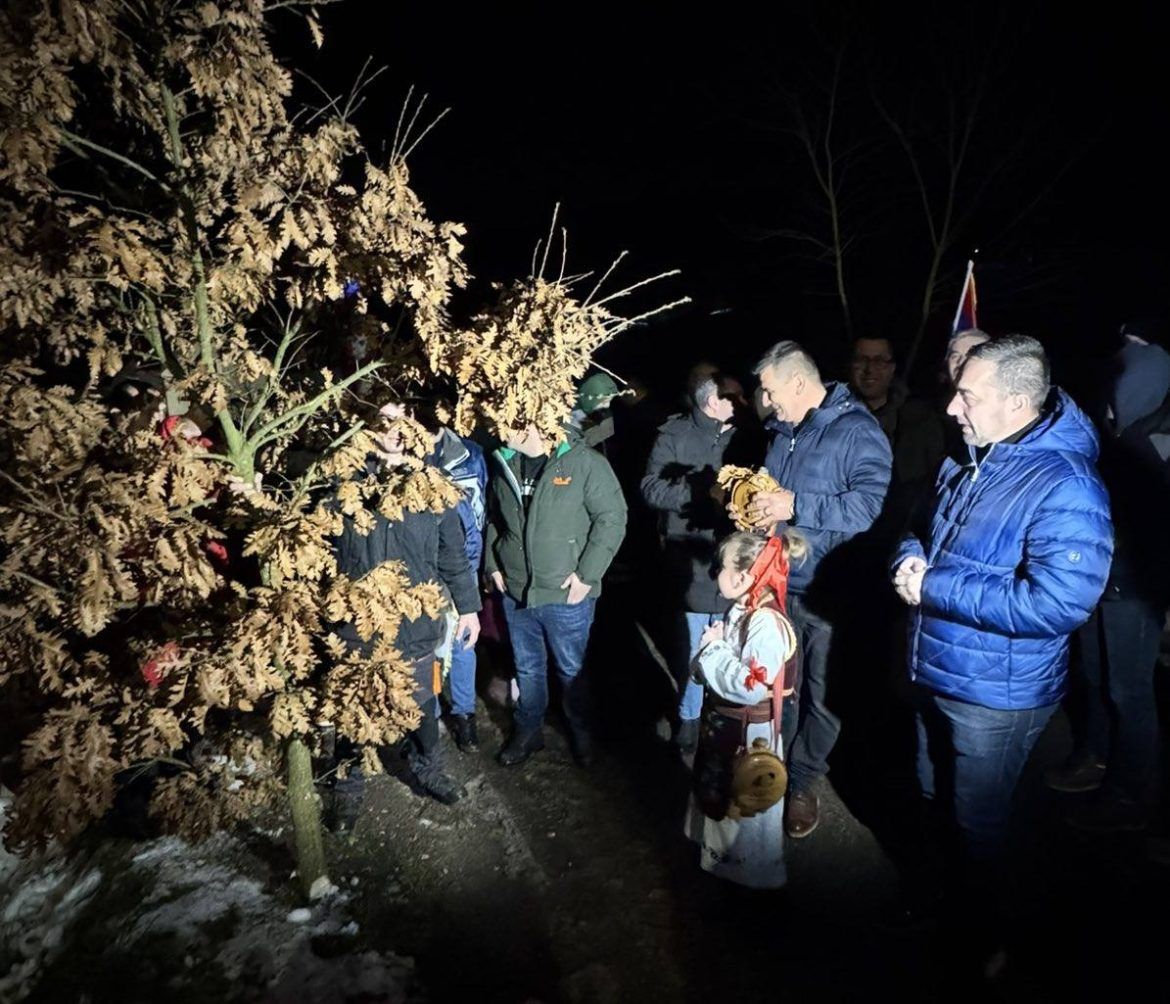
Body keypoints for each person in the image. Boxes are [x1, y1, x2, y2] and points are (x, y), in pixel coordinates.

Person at [892, 335, 1112, 877]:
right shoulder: (970, 455)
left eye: (967, 395)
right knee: (930, 793)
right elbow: (920, 526)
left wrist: (932, 586)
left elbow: (1057, 604)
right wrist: (908, 558)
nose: (951, 407)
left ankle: (983, 919)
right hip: (934, 666)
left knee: (979, 823)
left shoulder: (1068, 485)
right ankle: (937, 892)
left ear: (1015, 402)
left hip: (997, 695)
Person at [738, 340, 892, 838]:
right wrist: (759, 511)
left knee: (822, 697)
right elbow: (777, 499)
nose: (765, 401)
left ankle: (802, 781)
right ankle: (776, 770)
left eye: (769, 391)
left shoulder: (856, 431)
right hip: (781, 583)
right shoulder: (784, 432)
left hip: (831, 592)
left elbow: (870, 508)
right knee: (781, 690)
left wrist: (795, 504)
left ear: (799, 383)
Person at [330, 400, 482, 822]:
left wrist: (469, 609)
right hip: (357, 627)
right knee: (353, 709)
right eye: (384, 421)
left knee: (423, 707)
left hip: (416, 625)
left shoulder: (434, 488)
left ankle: (429, 770)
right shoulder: (344, 484)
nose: (394, 430)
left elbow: (453, 555)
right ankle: (347, 788)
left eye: (402, 422)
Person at [1047, 328, 1170, 831]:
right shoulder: (1107, 431)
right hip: (1096, 577)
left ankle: (1132, 790)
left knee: (1129, 689)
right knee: (1095, 676)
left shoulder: (1155, 439)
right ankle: (1096, 757)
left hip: (1136, 586)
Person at [484, 421, 627, 767]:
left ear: (532, 420)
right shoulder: (504, 460)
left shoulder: (585, 463)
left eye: (507, 420)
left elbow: (612, 518)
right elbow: (494, 518)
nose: (498, 427)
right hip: (516, 591)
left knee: (571, 668)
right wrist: (492, 564)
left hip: (566, 595)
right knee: (527, 667)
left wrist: (587, 575)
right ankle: (528, 730)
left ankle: (582, 733)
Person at [685, 531, 802, 888]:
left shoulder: (766, 623)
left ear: (741, 577)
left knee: (743, 804)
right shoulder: (743, 607)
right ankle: (722, 866)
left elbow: (750, 686)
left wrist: (713, 649)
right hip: (726, 723)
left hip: (749, 736)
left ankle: (749, 878)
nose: (715, 573)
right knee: (719, 794)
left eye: (720, 567)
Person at [641, 371, 740, 753]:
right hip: (690, 560)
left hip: (735, 556)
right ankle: (690, 715)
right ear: (712, 402)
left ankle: (726, 711)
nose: (742, 402)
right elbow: (651, 489)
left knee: (733, 641)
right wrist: (698, 491)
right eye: (733, 396)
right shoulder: (674, 435)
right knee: (694, 645)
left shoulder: (744, 436)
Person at [849, 336, 944, 526]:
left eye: (879, 361)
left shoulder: (920, 420)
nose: (869, 369)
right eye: (862, 360)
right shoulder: (831, 414)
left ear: (892, 368)